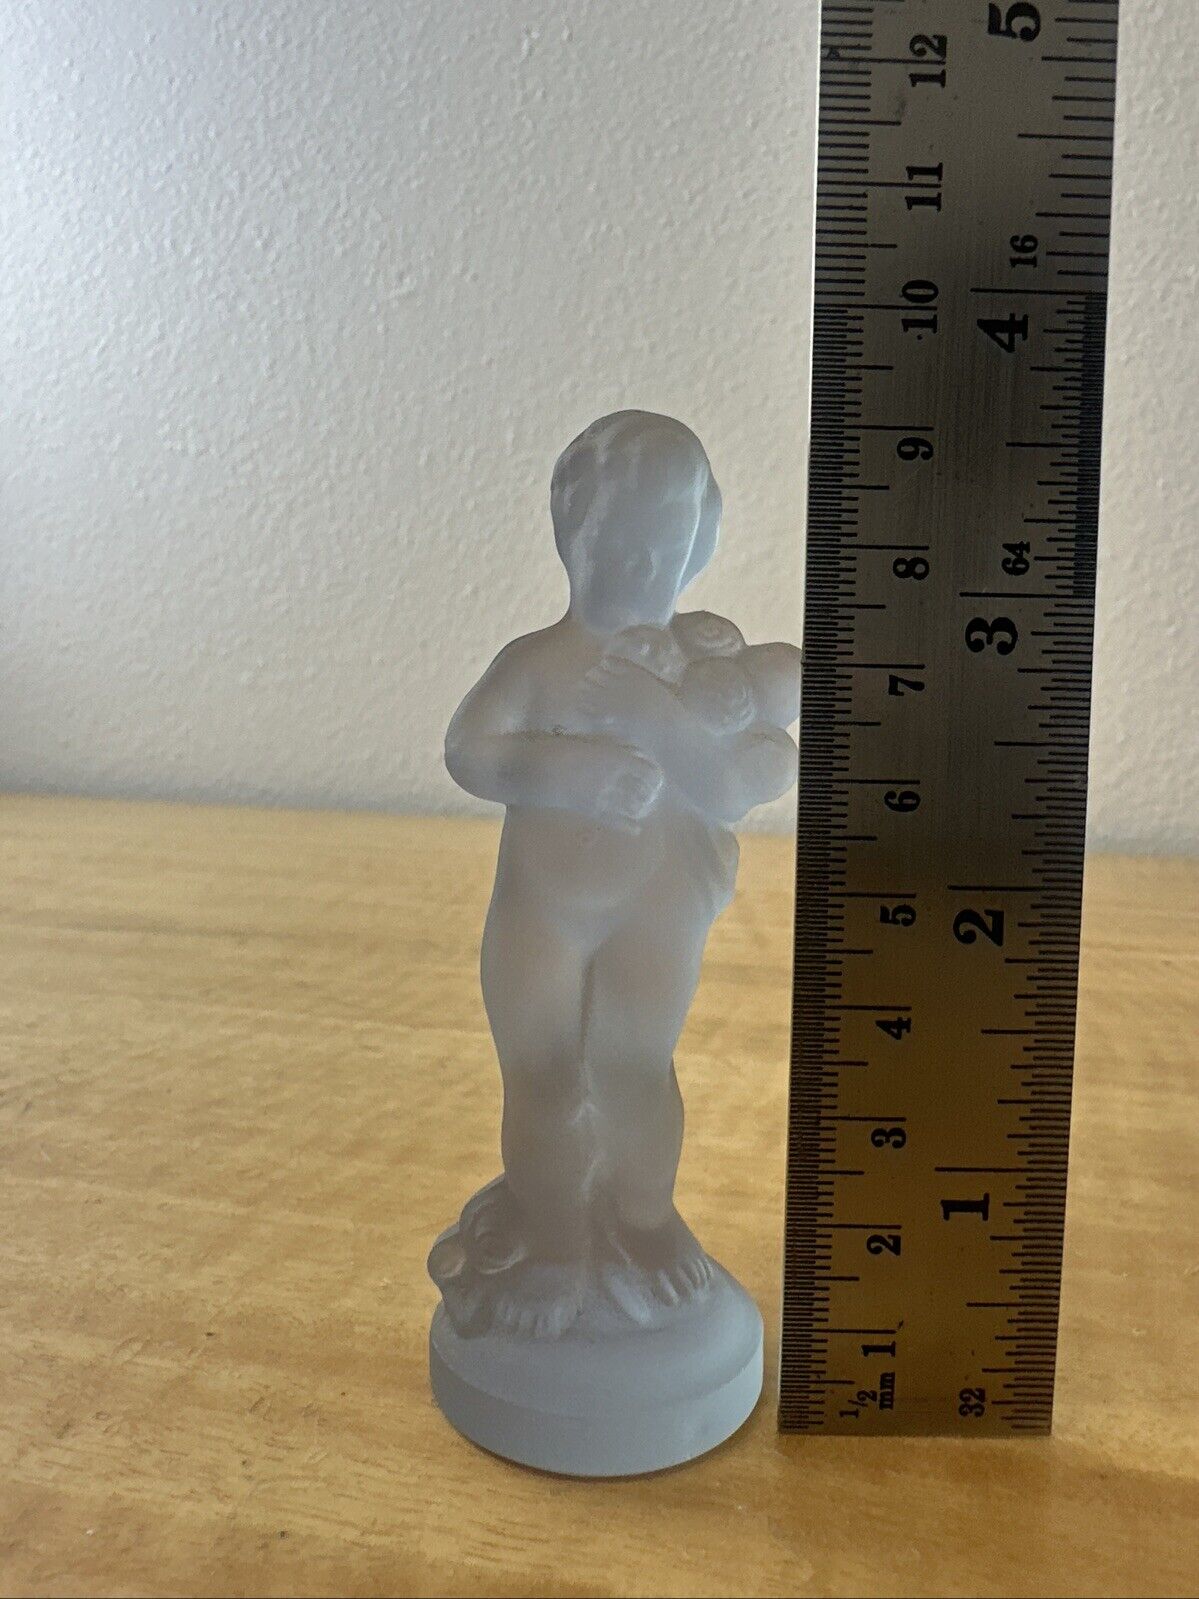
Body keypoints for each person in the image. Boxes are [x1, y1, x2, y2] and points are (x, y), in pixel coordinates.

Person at [429, 411, 800, 1336]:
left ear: (698, 547)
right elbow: (470, 750)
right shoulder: (535, 663)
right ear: (570, 530)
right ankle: (555, 1244)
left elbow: (727, 789)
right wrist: (570, 770)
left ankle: (643, 1220)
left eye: (663, 544)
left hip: (654, 909)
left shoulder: (697, 671)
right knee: (541, 1074)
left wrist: (655, 717)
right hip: (541, 913)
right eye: (617, 538)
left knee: (633, 1068)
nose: (639, 564)